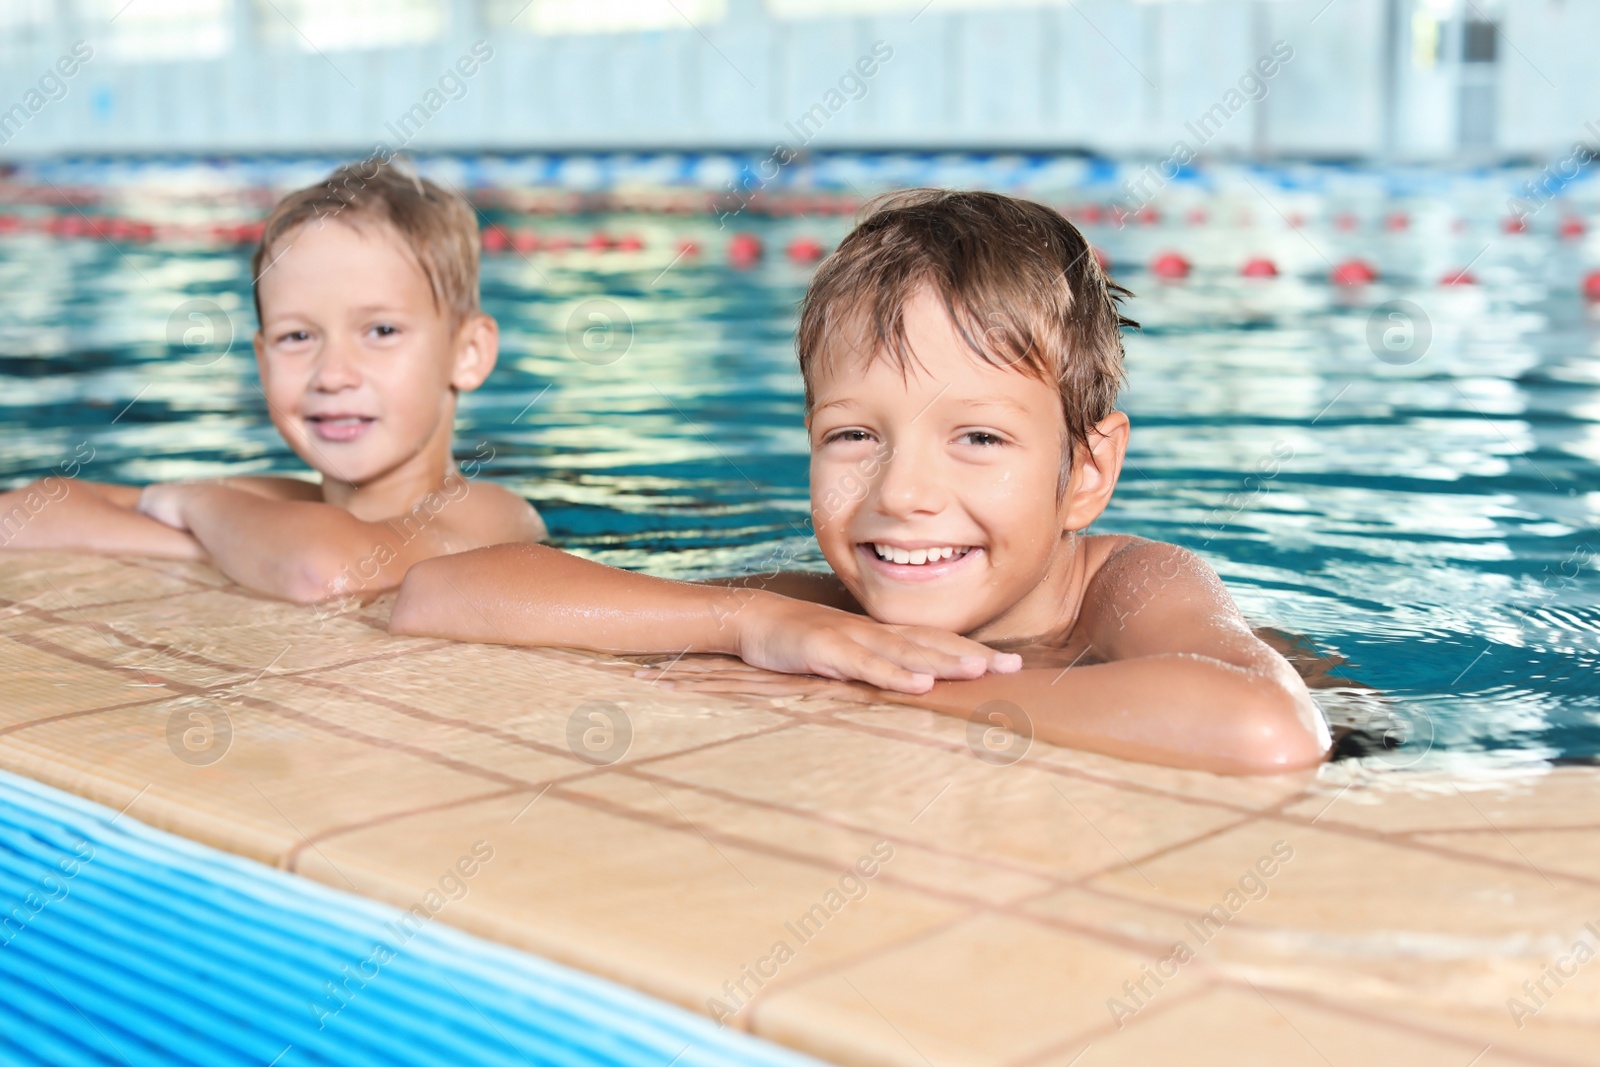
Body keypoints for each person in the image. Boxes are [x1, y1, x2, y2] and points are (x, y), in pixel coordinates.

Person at [391, 189, 1329, 775]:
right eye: (852, 434)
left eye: (976, 436)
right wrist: (750, 623)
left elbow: (1267, 731)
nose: (901, 494)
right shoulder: (828, 611)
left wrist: (871, 695)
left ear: (1085, 472)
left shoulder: (1133, 588)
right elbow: (440, 591)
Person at [0, 160, 545, 604]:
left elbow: (325, 570)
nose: (332, 375)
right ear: (261, 361)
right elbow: (26, 513)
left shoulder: (488, 512)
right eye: (296, 337)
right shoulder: (278, 502)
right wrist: (233, 546)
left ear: (468, 354)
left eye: (381, 330)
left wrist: (199, 512)